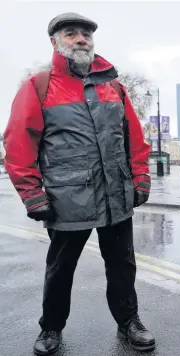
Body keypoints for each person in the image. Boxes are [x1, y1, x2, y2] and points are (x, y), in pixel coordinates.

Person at [4, 12, 155, 355]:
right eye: (70, 33)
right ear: (55, 42)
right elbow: (18, 143)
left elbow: (135, 137)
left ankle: (129, 321)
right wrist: (31, 194)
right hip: (66, 198)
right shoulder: (39, 86)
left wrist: (141, 177)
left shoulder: (113, 86)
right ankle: (51, 328)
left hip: (116, 195)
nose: (80, 39)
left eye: (85, 33)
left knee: (122, 265)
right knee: (60, 269)